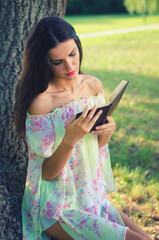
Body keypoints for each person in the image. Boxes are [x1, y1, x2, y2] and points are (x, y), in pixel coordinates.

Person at [14, 16, 152, 240]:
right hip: (58, 207)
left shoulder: (92, 85)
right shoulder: (42, 104)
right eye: (57, 61)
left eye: (72, 54)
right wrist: (70, 139)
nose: (69, 66)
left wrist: (105, 134)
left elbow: (96, 149)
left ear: (78, 46)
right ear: (44, 62)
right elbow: (46, 174)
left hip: (91, 195)